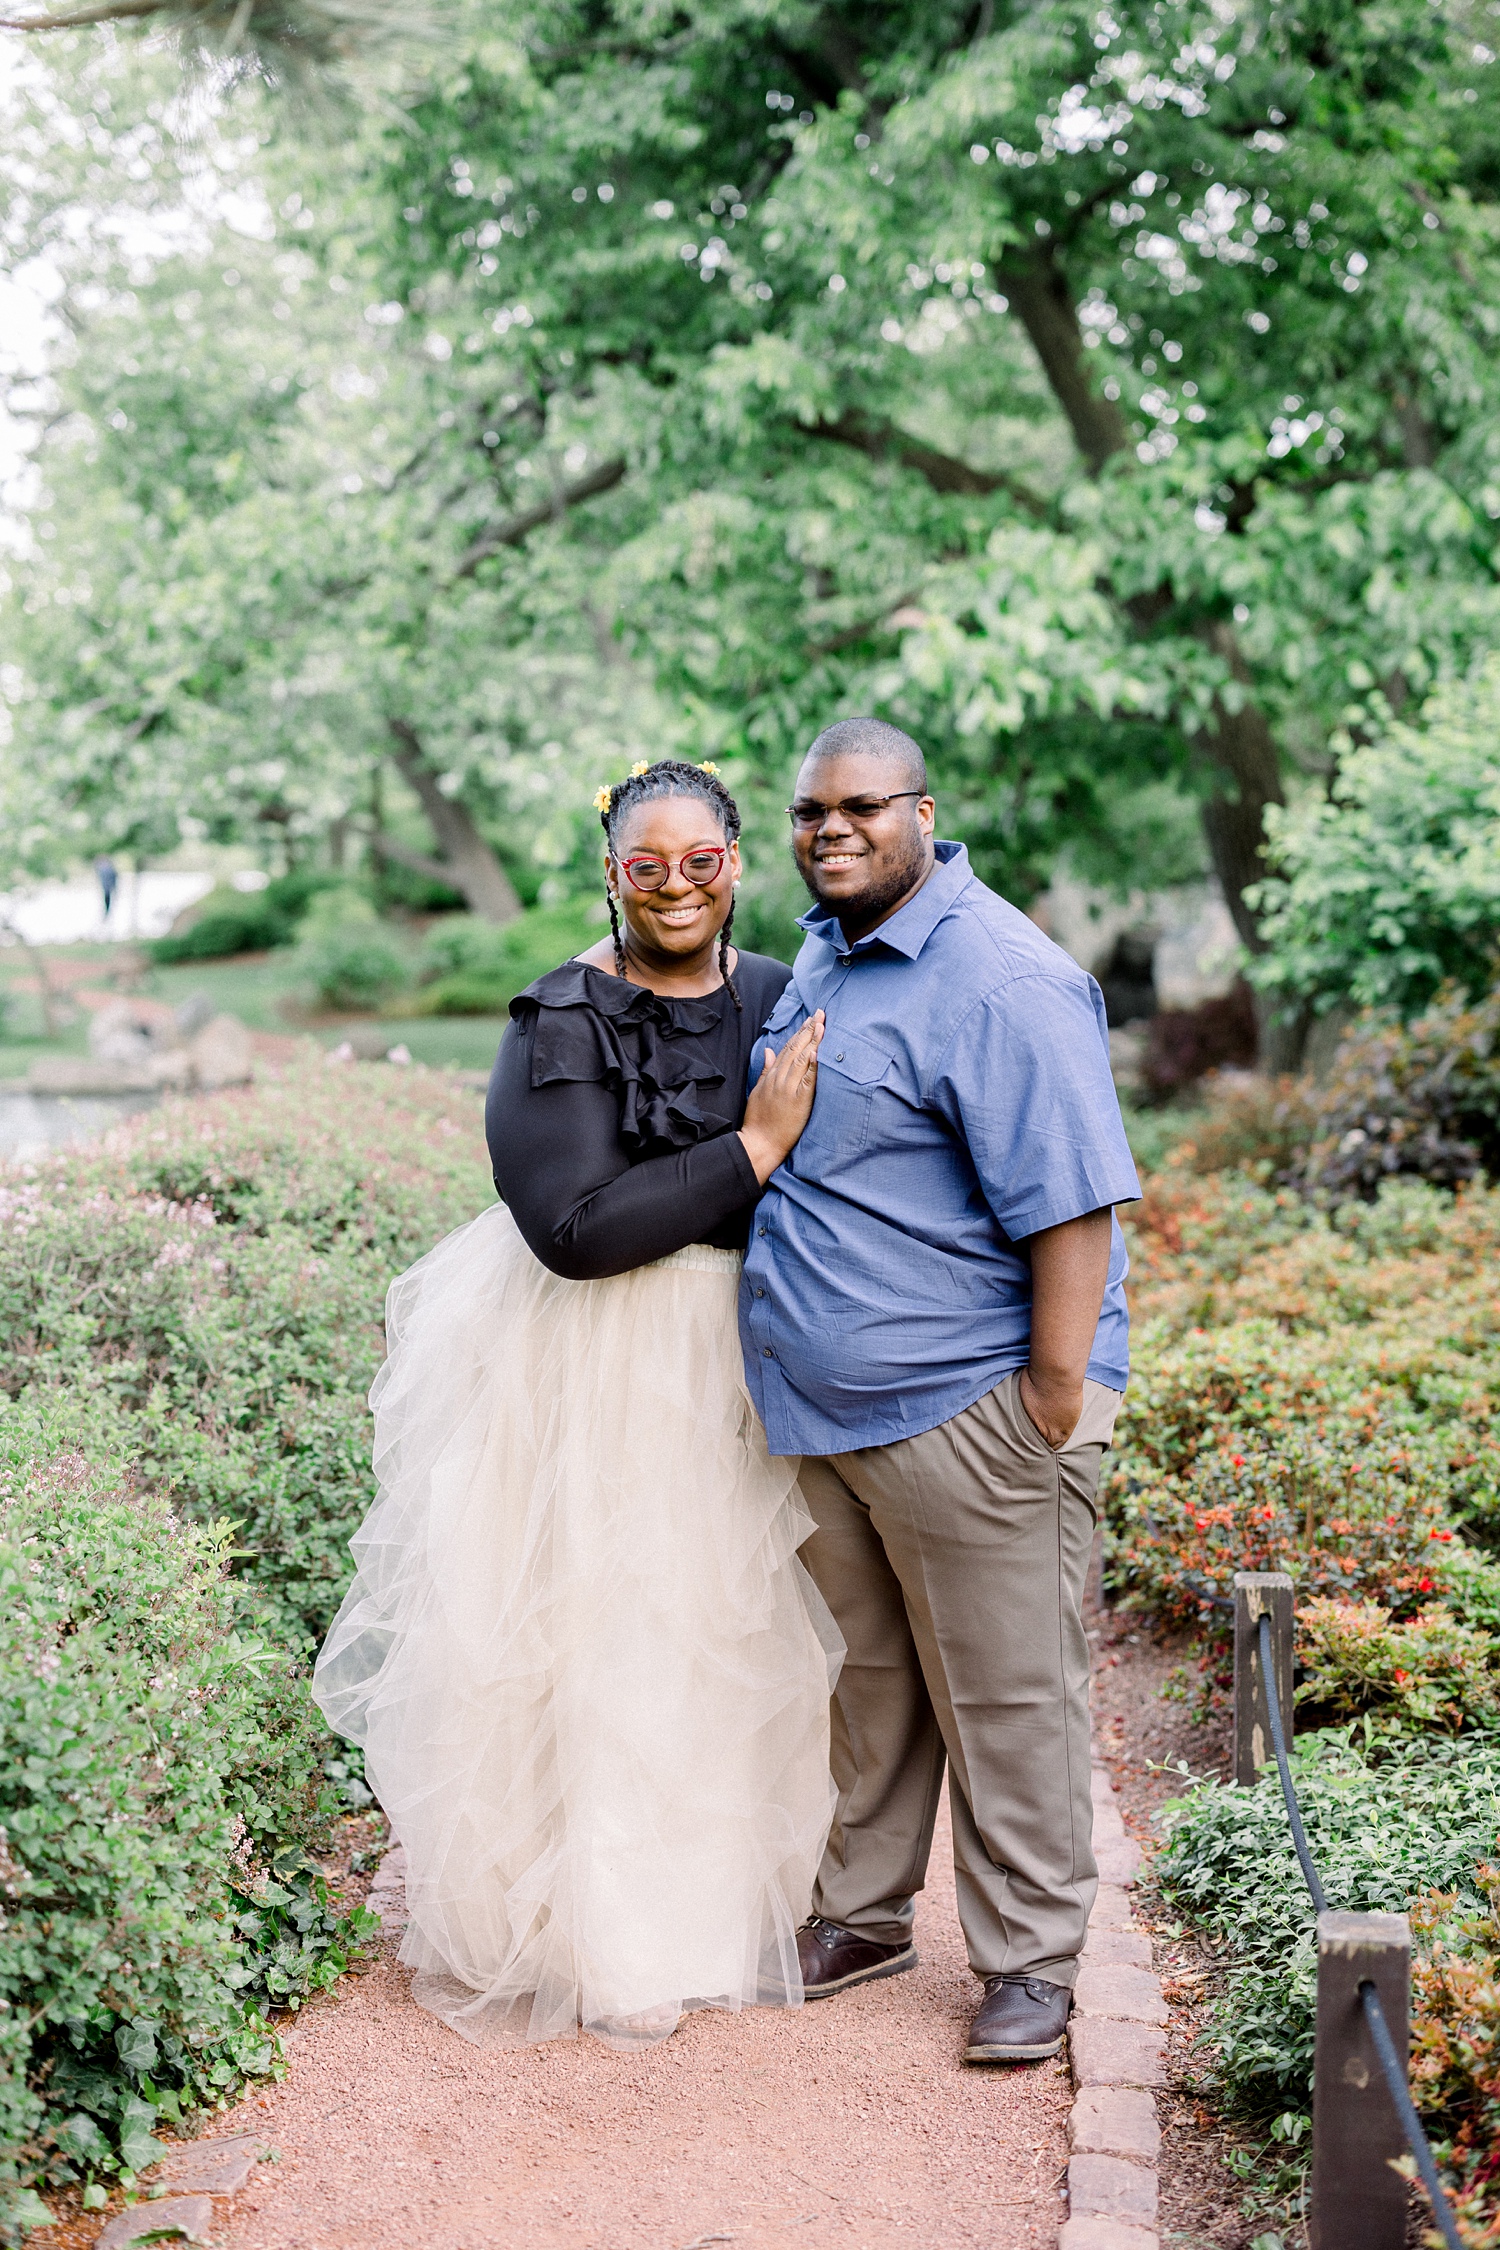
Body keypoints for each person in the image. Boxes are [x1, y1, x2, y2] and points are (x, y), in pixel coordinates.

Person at [315, 759, 839, 2052]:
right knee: (599, 1641)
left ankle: (720, 1910)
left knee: (727, 1636)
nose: (675, 885)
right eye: (645, 863)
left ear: (737, 861)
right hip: (597, 1360)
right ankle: (607, 1935)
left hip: (743, 1359)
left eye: (700, 861)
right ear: (611, 870)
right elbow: (576, 1227)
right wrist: (755, 1150)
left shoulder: (785, 997)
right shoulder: (560, 1015)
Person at [739, 717, 1142, 2064]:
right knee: (874, 1680)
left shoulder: (1003, 977)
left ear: (924, 810)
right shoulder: (830, 948)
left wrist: (1050, 1398)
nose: (831, 829)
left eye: (860, 805)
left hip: (971, 1408)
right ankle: (862, 1913)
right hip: (837, 1419)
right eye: (809, 810)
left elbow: (1075, 1202)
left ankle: (1031, 1960)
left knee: (1009, 1689)